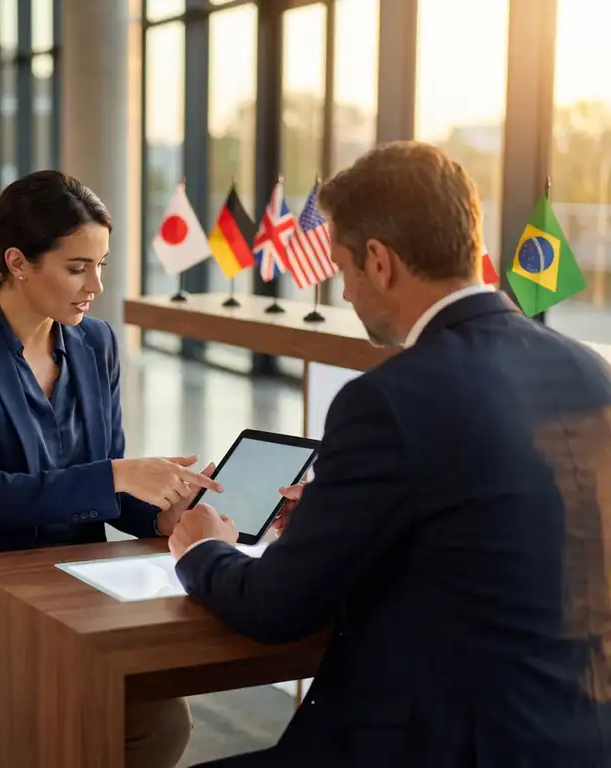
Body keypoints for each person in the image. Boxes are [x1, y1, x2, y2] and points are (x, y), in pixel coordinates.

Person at [169, 141, 611, 767]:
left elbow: (275, 608)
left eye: (343, 267)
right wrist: (338, 521)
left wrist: (203, 548)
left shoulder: (388, 398)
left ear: (379, 261)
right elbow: (494, 537)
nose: (344, 291)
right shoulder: (591, 371)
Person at [0, 169, 222, 768]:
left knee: (162, 722)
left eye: (102, 265)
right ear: (17, 261)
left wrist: (166, 514)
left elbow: (108, 483)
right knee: (46, 721)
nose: (94, 285)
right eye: (76, 267)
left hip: (71, 597)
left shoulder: (96, 343)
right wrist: (119, 475)